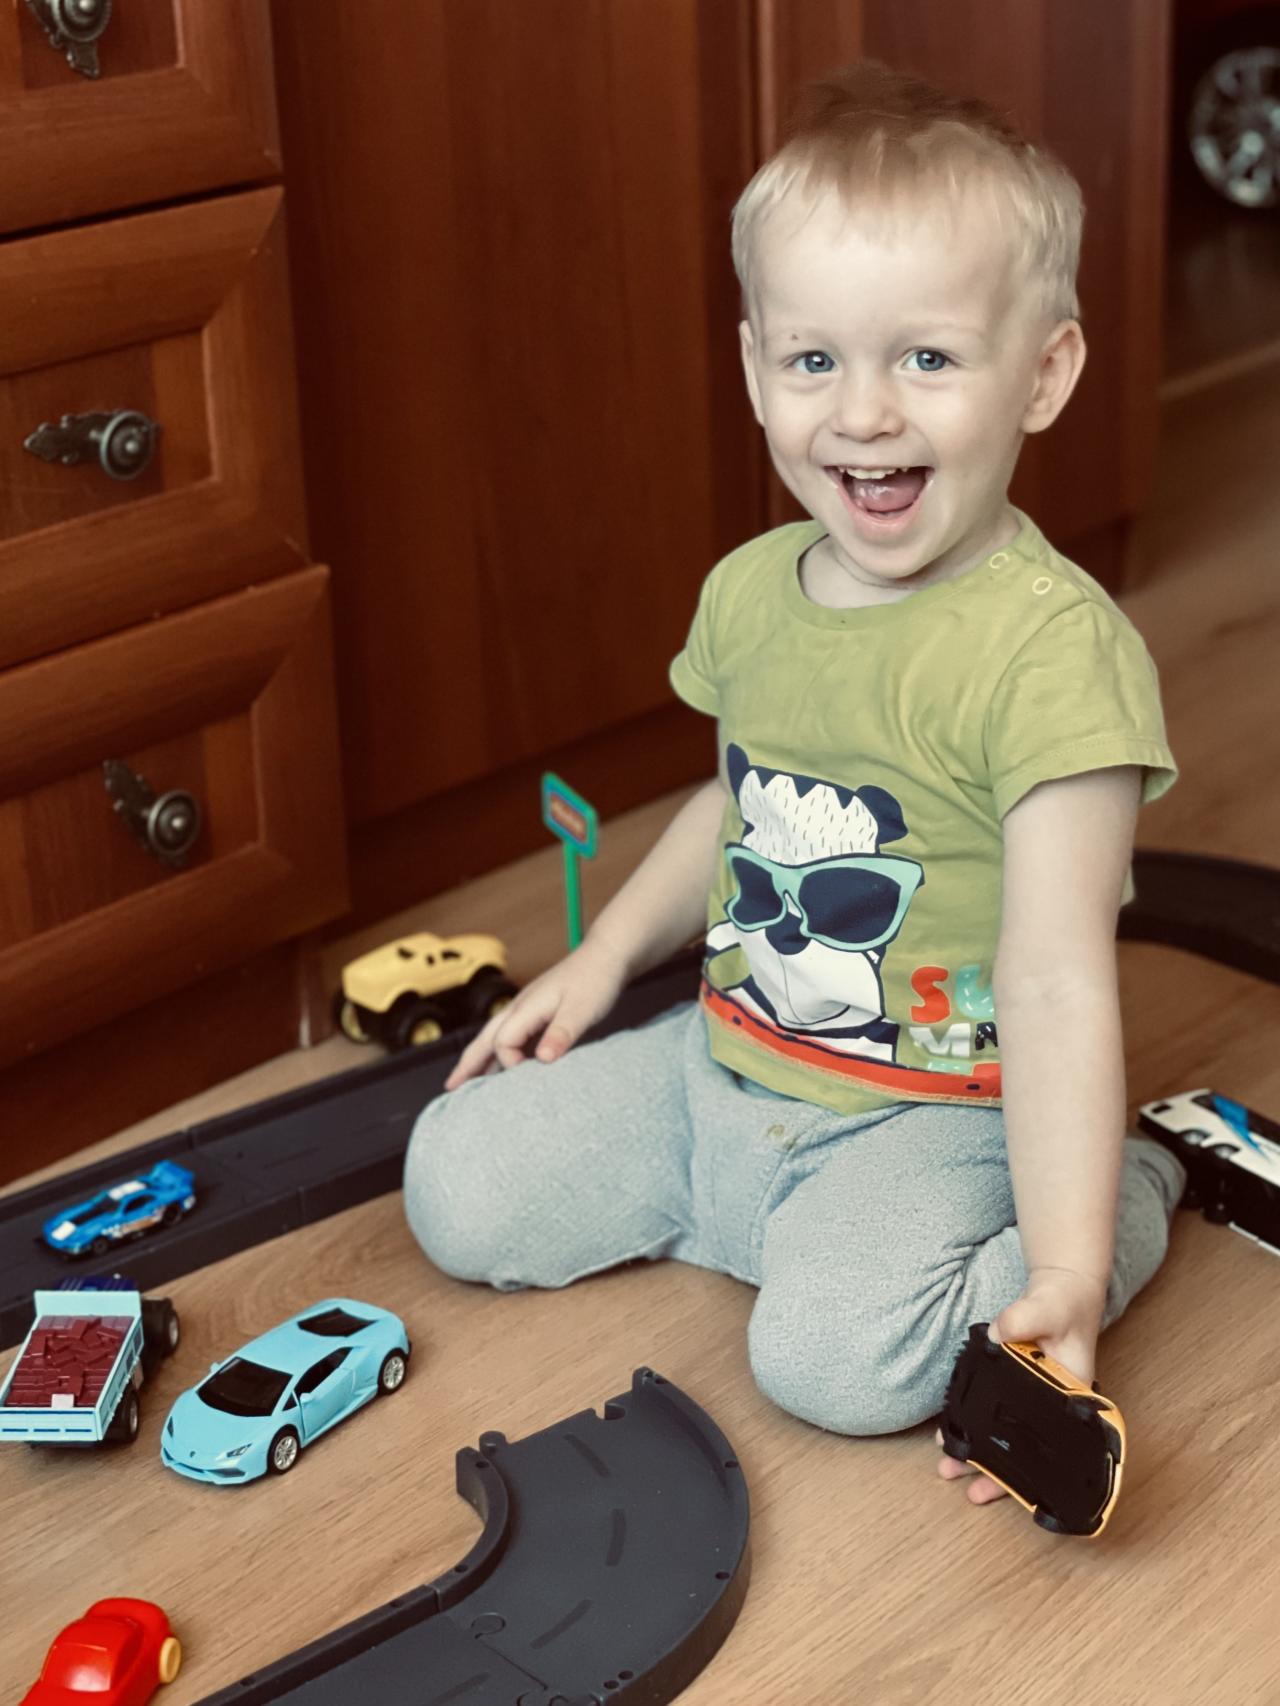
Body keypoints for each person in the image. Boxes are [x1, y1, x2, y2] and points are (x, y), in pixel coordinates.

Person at [404, 61, 1184, 1511]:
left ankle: (1122, 1196)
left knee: (833, 1368)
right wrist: (601, 959)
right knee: (454, 1183)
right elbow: (731, 801)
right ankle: (753, 1217)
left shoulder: (1054, 659)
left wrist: (1068, 1269)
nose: (863, 414)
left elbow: (1059, 976)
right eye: (814, 360)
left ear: (1044, 373)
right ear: (757, 363)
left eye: (928, 359)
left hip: (932, 1115)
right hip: (724, 1070)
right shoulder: (754, 592)